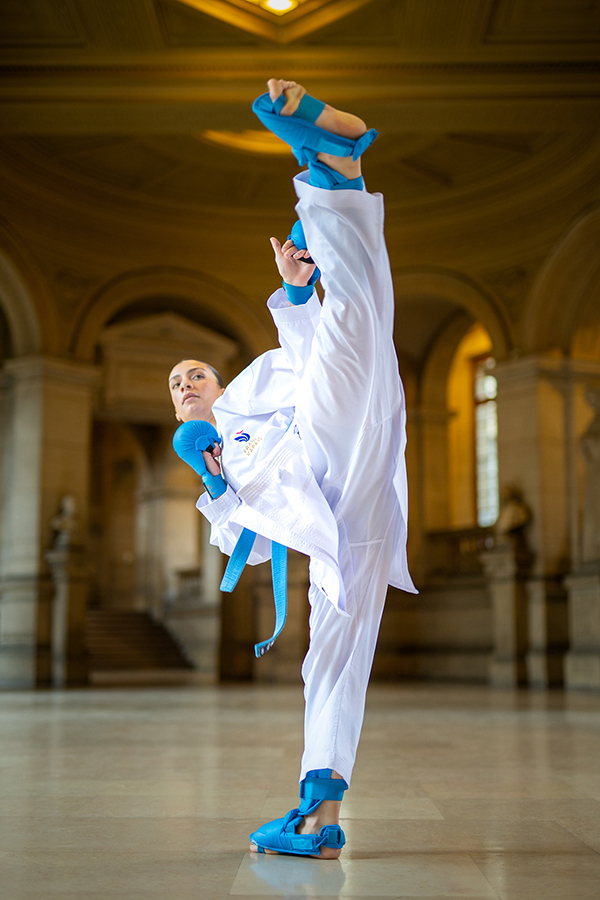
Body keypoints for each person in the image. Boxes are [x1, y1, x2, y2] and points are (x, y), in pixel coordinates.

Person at [168, 78, 416, 858]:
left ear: (216, 378)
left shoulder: (254, 387)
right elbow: (250, 542)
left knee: (357, 326)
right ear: (178, 408)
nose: (188, 380)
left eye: (194, 371)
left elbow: (314, 366)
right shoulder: (212, 452)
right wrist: (214, 482)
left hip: (333, 447)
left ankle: (333, 175)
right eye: (175, 384)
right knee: (329, 661)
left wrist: (295, 291)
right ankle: (319, 811)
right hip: (346, 518)